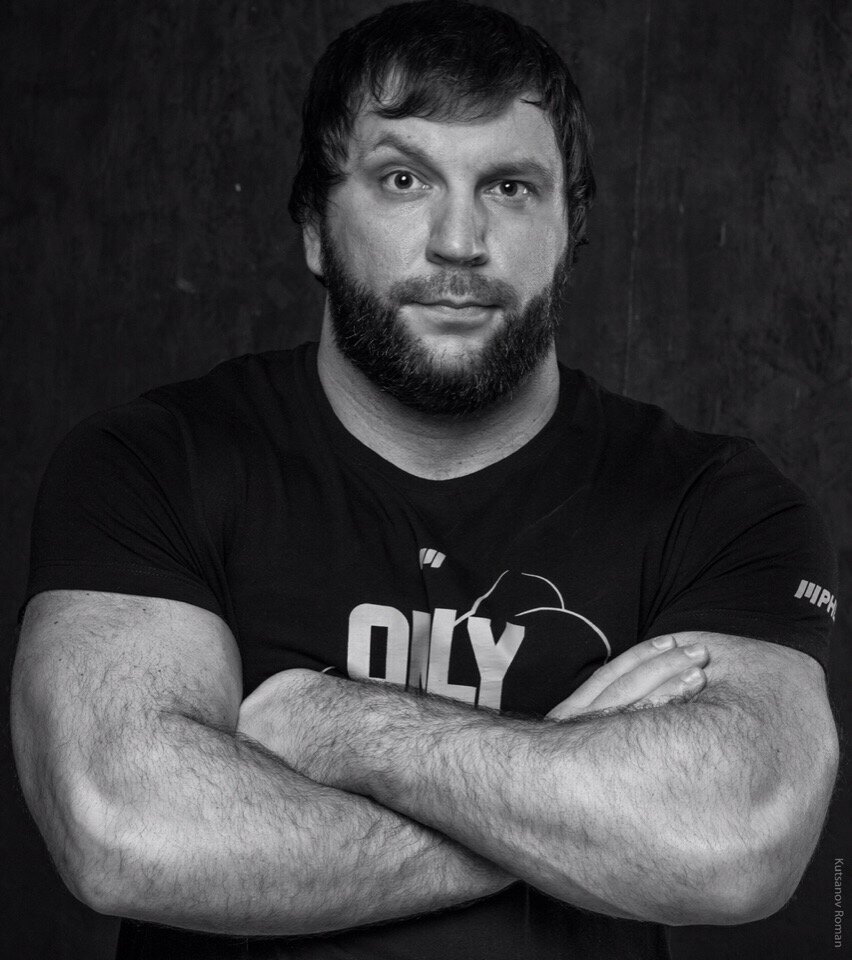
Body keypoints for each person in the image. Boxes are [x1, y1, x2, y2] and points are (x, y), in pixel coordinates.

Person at [11, 2, 839, 958]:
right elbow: (126, 833)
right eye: (403, 179)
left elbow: (737, 843)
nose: (458, 240)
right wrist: (566, 790)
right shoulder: (152, 464)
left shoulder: (715, 502)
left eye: (510, 187)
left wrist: (336, 726)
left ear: (570, 231)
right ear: (316, 227)